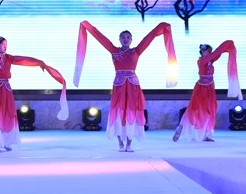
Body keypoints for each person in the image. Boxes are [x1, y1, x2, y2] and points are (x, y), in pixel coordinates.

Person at [74, 21, 177, 152]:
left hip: (133, 87)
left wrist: (161, 26)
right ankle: (120, 144)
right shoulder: (114, 51)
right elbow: (100, 37)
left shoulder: (136, 51)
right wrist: (87, 26)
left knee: (131, 113)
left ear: (131, 40)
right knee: (118, 114)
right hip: (119, 87)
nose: (125, 39)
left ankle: (129, 143)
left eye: (128, 37)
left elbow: (149, 37)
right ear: (119, 39)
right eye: (123, 37)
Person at [173, 41, 241, 143]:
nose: (209, 53)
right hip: (201, 89)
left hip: (209, 88)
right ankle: (182, 127)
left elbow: (217, 54)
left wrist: (228, 48)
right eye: (207, 51)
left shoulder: (209, 61)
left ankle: (205, 134)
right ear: (202, 52)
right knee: (195, 109)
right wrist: (225, 45)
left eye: (209, 51)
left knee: (209, 111)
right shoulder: (202, 61)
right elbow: (216, 53)